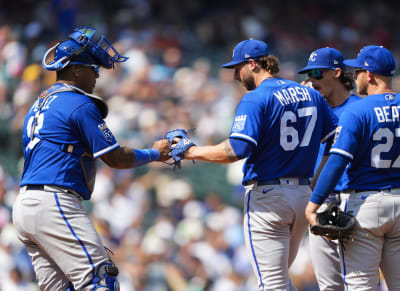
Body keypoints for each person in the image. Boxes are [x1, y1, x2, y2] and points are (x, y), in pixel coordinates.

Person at [12, 27, 170, 291]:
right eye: (92, 67)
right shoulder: (78, 103)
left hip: (26, 205)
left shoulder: (38, 104)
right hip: (55, 202)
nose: (97, 74)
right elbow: (116, 158)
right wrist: (155, 153)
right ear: (75, 70)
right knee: (100, 282)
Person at [182, 38, 338, 290]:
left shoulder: (256, 98)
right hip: (301, 195)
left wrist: (191, 151)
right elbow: (336, 141)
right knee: (279, 280)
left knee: (271, 284)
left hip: (269, 198)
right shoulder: (310, 93)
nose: (234, 75)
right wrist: (317, 180)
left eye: (237, 68)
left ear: (253, 64)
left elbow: (236, 150)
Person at [305, 45, 400, 290]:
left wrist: (313, 204)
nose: (354, 75)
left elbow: (337, 161)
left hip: (365, 204)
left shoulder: (358, 110)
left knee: (359, 286)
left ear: (369, 75)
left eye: (357, 70)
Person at [298, 47, 361, 291]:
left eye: (317, 73)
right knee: (329, 286)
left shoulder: (359, 109)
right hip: (320, 202)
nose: (312, 80)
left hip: (351, 199)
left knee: (359, 281)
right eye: (309, 74)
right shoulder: (310, 110)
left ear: (336, 72)